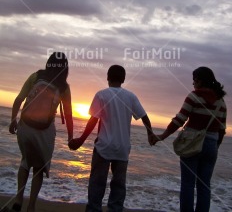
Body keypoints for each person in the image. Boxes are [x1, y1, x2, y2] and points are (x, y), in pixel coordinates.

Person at [69, 65, 156, 212]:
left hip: (104, 146)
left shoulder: (102, 95)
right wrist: (150, 134)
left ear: (107, 77)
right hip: (122, 148)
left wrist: (81, 140)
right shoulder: (131, 96)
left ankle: (94, 210)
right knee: (118, 186)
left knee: (97, 183)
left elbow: (93, 120)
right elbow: (144, 116)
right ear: (123, 79)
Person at [153, 66, 227, 212]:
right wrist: (215, 147)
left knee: (187, 184)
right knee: (204, 185)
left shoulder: (194, 96)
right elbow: (222, 130)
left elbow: (179, 120)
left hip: (192, 144)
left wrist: (162, 136)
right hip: (211, 145)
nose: (193, 83)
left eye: (194, 80)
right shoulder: (221, 103)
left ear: (199, 80)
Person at [7, 52, 74, 212]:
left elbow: (19, 99)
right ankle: (31, 206)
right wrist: (71, 137)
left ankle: (18, 199)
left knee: (25, 162)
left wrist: (13, 120)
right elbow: (69, 115)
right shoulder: (63, 87)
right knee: (39, 168)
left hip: (25, 127)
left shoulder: (36, 76)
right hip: (44, 132)